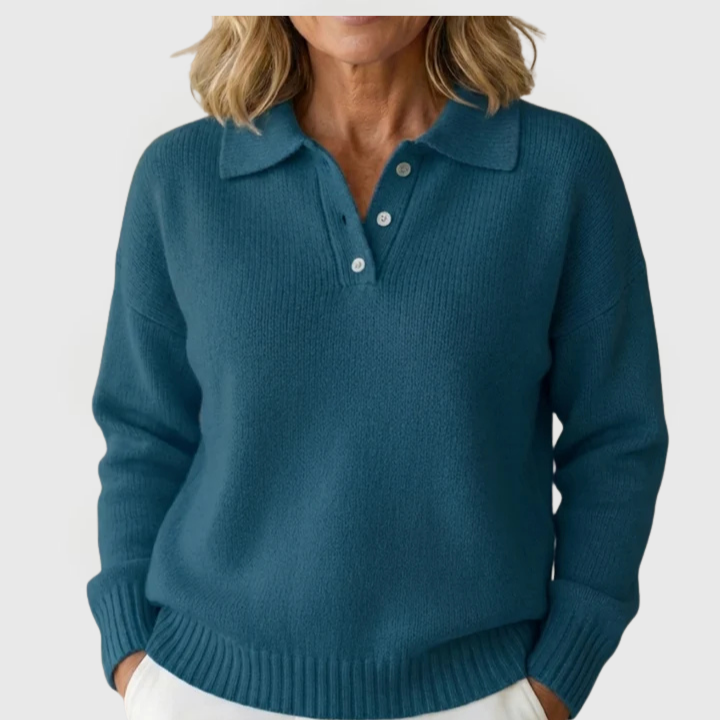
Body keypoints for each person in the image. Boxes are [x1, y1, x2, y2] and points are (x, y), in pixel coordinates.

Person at [87, 16, 669, 720]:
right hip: (203, 690)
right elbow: (144, 433)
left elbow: (616, 438)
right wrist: (134, 659)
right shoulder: (179, 178)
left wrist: (555, 679)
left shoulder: (559, 172)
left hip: (475, 696)